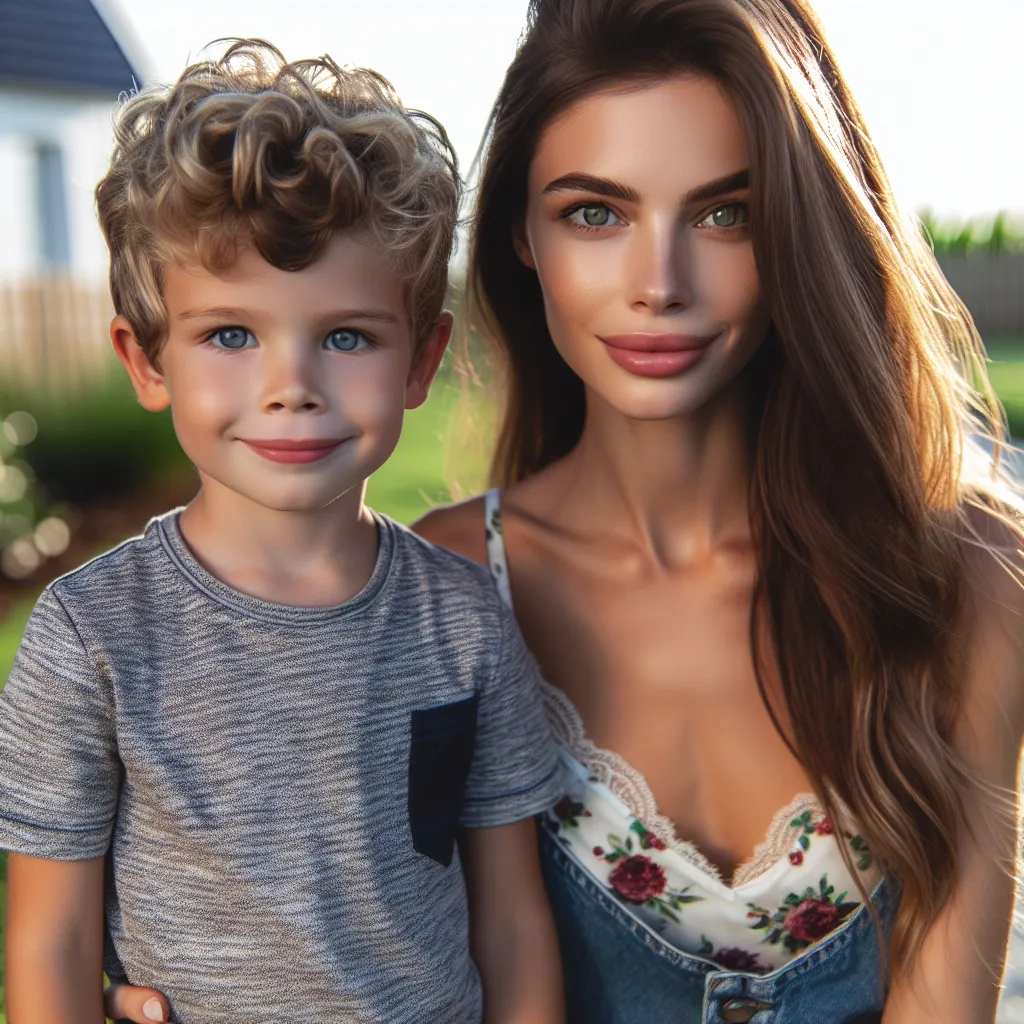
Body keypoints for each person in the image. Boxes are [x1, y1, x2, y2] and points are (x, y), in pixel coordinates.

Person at [103, 1, 1024, 1022]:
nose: (656, 284)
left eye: (727, 212)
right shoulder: (429, 599)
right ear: (521, 235)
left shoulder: (969, 578)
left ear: (800, 231)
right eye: (596, 212)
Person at [0, 40, 566, 1024]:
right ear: (146, 360)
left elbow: (513, 925)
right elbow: (52, 939)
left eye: (346, 335)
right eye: (230, 334)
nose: (290, 386)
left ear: (421, 358)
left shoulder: (465, 622)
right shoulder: (89, 636)